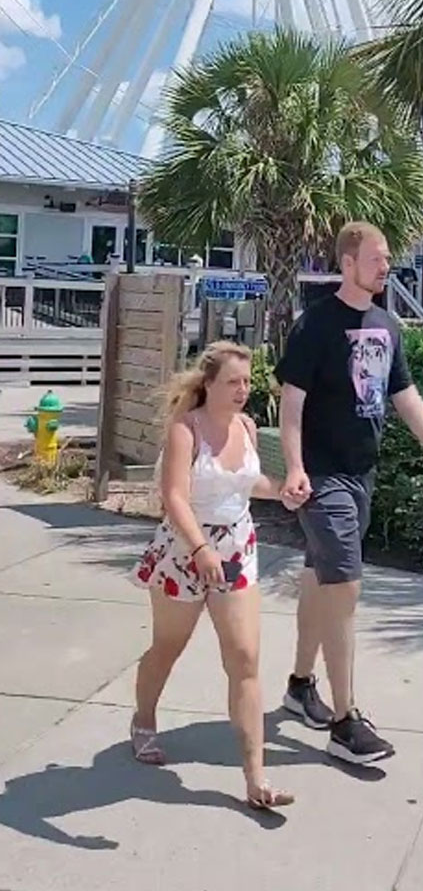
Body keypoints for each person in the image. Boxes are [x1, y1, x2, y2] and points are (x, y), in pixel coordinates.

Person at [275, 221, 423, 767]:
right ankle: (344, 720)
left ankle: (300, 686)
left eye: (387, 258)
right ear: (348, 264)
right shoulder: (315, 324)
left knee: (319, 580)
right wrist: (294, 467)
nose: (385, 267)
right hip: (322, 477)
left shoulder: (387, 325)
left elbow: (403, 391)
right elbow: (291, 402)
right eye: (376, 259)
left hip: (362, 474)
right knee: (345, 587)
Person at [129, 340, 295, 810]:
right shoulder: (186, 429)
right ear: (209, 384)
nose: (243, 390)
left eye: (246, 382)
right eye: (233, 382)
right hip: (184, 551)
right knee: (168, 646)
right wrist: (200, 549)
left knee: (244, 658)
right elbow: (174, 496)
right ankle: (143, 720)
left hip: (236, 550)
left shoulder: (246, 426)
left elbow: (246, 482)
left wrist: (283, 491)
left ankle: (256, 778)